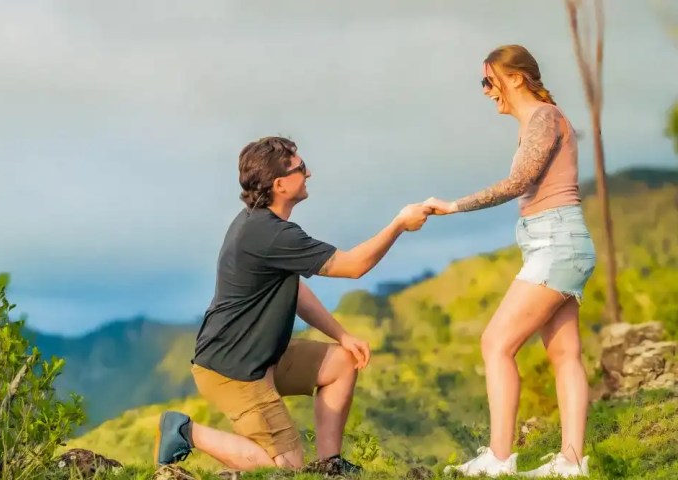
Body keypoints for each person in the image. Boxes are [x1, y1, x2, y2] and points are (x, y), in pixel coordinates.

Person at [154, 136, 431, 476]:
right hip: (233, 372)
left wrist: (342, 336)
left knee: (343, 362)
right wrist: (399, 225)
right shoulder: (269, 234)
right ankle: (183, 430)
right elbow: (354, 266)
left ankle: (330, 466)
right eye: (300, 168)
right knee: (285, 471)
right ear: (280, 184)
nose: (308, 172)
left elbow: (295, 290)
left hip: (265, 358)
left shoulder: (263, 227)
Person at [425, 45, 596, 478]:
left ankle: (500, 459)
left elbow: (520, 181)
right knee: (565, 354)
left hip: (555, 242)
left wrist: (454, 206)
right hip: (556, 241)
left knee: (496, 343)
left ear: (516, 77)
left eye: (489, 80)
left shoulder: (544, 118)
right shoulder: (541, 120)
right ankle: (572, 462)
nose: (486, 91)